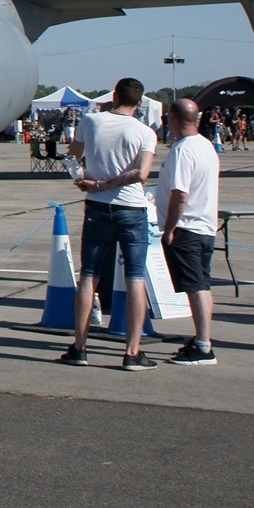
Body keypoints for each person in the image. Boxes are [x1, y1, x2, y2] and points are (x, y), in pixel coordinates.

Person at [61, 77, 159, 371]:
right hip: (130, 207)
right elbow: (141, 174)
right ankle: (132, 350)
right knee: (135, 277)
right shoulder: (145, 132)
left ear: (114, 96)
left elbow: (71, 157)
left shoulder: (91, 122)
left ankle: (80, 346)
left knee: (89, 275)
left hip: (98, 207)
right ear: (139, 103)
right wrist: (108, 184)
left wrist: (85, 181)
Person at [155, 98, 221, 365]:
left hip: (188, 227)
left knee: (195, 287)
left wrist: (169, 228)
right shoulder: (206, 146)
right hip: (204, 225)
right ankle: (201, 339)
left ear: (173, 118)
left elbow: (180, 194)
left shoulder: (183, 150)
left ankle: (204, 345)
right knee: (202, 284)